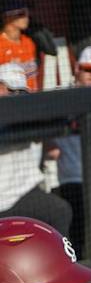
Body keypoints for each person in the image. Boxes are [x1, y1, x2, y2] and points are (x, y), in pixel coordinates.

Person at [49, 45, 91, 254]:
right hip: (68, 180)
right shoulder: (60, 97)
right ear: (77, 69)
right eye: (88, 69)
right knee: (74, 238)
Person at [0, 65, 72, 237]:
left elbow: (53, 150)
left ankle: (61, 263)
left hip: (25, 194)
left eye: (20, 93)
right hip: (2, 201)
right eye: (10, 90)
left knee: (60, 211)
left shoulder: (26, 113)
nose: (15, 97)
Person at [0, 0, 38, 91]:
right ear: (6, 17)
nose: (26, 17)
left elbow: (34, 75)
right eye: (21, 14)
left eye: (26, 13)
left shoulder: (28, 42)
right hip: (10, 101)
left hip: (33, 96)